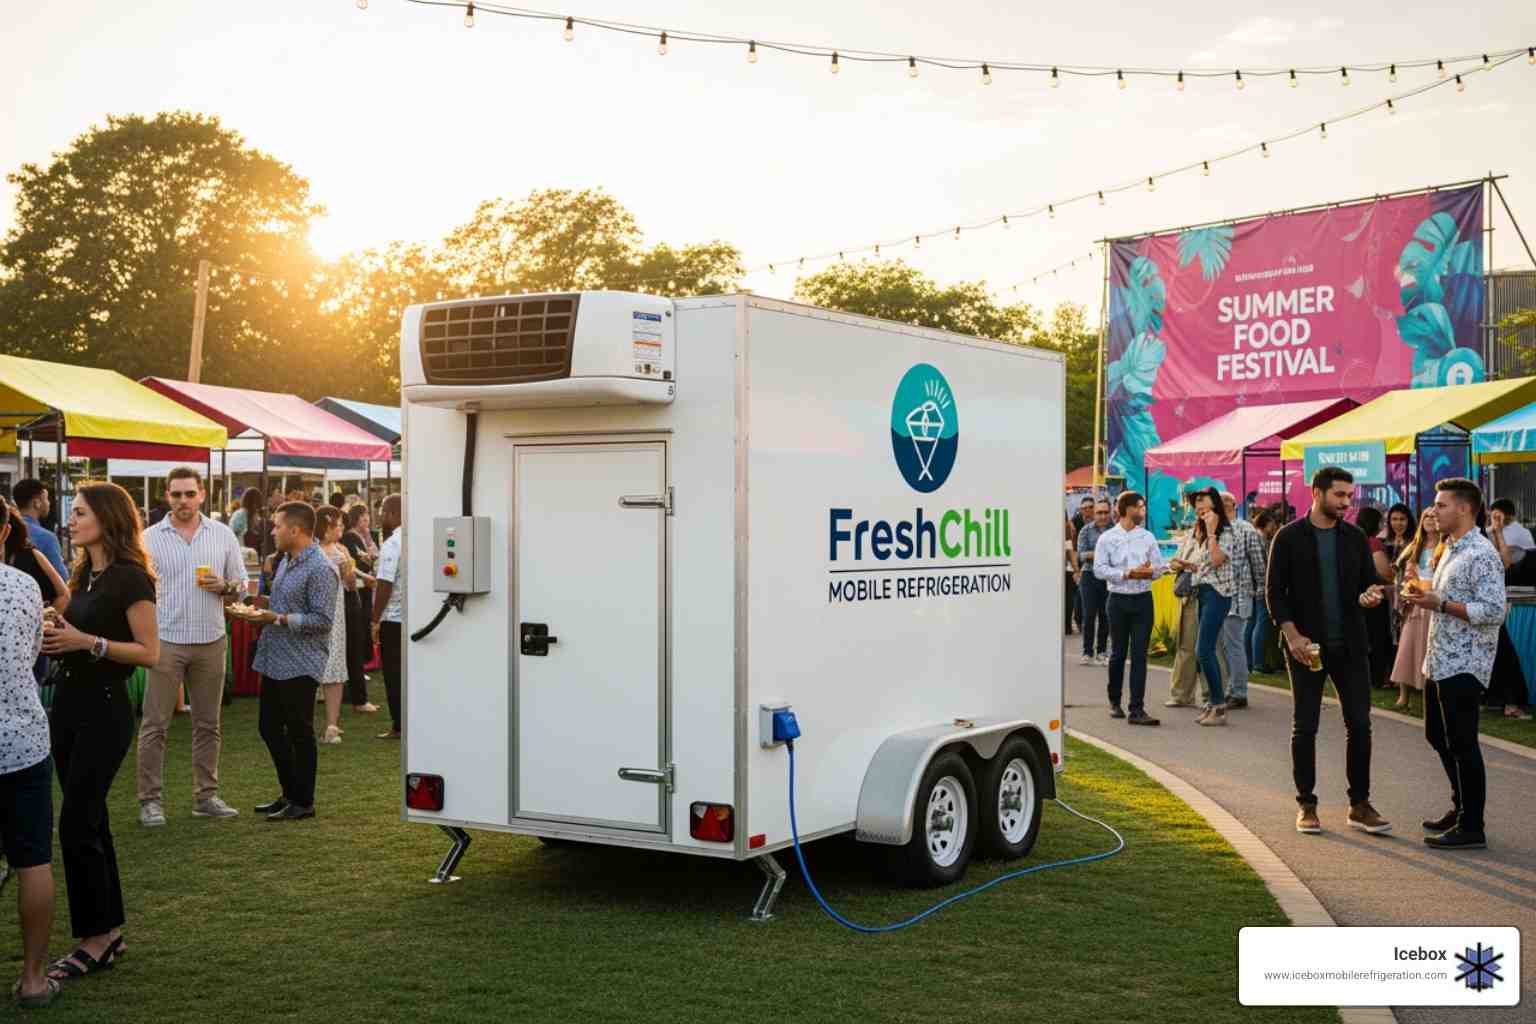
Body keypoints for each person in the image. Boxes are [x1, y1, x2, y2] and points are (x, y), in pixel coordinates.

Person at [40, 483, 159, 982]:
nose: (71, 520)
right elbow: (77, 631)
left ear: (107, 518)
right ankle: (109, 932)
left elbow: (149, 652)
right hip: (68, 706)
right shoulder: (87, 574)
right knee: (90, 821)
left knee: (77, 822)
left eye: (80, 512)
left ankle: (95, 938)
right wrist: (55, 626)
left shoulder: (131, 578)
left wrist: (86, 641)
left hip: (104, 711)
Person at [1266, 467, 1391, 836]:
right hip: (1306, 647)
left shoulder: (1354, 537)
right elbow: (1274, 593)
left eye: (1350, 496)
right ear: (1317, 493)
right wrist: (1292, 636)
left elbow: (1369, 583)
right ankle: (1306, 804)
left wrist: (1370, 597)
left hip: (1350, 645)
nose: (1346, 502)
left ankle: (1360, 805)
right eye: (1340, 495)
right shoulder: (1288, 537)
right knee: (1305, 726)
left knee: (1361, 725)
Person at [136, 468, 246, 827]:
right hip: (164, 640)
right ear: (167, 497)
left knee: (208, 724)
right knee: (155, 725)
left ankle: (206, 796)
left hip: (211, 639)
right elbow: (136, 590)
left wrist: (226, 585)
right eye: (176, 494)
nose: (183, 501)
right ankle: (150, 801)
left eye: (189, 494)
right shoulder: (149, 538)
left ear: (202, 494)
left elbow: (242, 584)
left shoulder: (223, 534)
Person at [1403, 478, 1507, 851]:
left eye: (1442, 505)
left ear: (1465, 508)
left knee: (1463, 743)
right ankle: (1460, 805)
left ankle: (1472, 825)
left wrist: (1441, 605)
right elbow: (1444, 596)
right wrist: (1424, 592)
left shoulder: (1481, 553)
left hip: (1466, 662)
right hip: (1440, 658)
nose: (1433, 511)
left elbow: (1494, 611)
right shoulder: (1450, 548)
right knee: (1437, 735)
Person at [241, 502, 338, 821]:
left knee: (299, 730)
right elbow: (283, 604)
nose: (272, 531)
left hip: (301, 660)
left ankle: (303, 800)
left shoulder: (321, 568)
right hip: (275, 657)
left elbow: (323, 620)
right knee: (269, 727)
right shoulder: (286, 560)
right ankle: (290, 793)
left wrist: (278, 618)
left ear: (295, 530)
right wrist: (257, 609)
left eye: (277, 525)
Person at [0, 510, 60, 1008]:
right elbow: (36, 652)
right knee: (33, 862)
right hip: (22, 739)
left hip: (21, 740)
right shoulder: (22, 587)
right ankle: (35, 978)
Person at [1092, 490, 1165, 726]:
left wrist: (1150, 571)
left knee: (1140, 654)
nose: (1143, 511)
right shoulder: (1107, 538)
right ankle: (1115, 701)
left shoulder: (1148, 537)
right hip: (1118, 599)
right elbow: (1099, 569)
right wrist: (1125, 573)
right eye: (1139, 507)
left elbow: (1158, 568)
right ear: (1126, 509)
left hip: (1143, 599)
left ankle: (1137, 708)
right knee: (1118, 653)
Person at [1182, 489, 1236, 726]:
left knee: (1204, 650)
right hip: (1204, 593)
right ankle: (1213, 703)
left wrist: (1212, 532)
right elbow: (1205, 566)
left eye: (1202, 502)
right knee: (1203, 650)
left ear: (1215, 504)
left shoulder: (1225, 531)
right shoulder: (1203, 532)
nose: (1198, 507)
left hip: (1218, 595)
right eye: (1196, 504)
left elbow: (1216, 560)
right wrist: (1186, 565)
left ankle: (1219, 706)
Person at [1217, 492, 1267, 711]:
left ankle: (1238, 691)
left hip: (1237, 596)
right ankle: (1232, 689)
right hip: (1222, 596)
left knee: (1233, 645)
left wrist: (1260, 590)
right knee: (1227, 646)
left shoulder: (1245, 529)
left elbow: (1258, 563)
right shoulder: (1216, 529)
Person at [1390, 508, 1442, 710]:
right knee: (1407, 646)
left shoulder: (1446, 545)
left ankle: (1430, 695)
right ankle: (1403, 695)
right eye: (1426, 516)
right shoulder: (1415, 545)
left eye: (1433, 516)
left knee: (1431, 648)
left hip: (1435, 602)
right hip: (1414, 603)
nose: (1429, 520)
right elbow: (1399, 572)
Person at [314, 507, 356, 745]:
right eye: (337, 524)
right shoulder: (309, 549)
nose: (340, 528)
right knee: (310, 667)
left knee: (335, 668)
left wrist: (346, 567)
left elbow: (350, 585)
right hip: (315, 612)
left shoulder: (341, 550)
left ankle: (332, 725)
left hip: (336, 616)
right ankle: (305, 723)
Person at [1164, 496, 1207, 709]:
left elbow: (1216, 565)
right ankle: (1181, 694)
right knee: (1186, 647)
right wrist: (1181, 564)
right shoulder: (1190, 535)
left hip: (1209, 597)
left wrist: (1193, 566)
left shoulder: (1220, 535)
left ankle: (1211, 695)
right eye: (1198, 510)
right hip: (1188, 598)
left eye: (1204, 510)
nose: (1199, 514)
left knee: (1209, 649)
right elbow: (1173, 562)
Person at [341, 504, 380, 714]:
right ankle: (357, 697)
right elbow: (356, 567)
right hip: (351, 598)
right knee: (353, 646)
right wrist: (365, 576)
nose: (367, 523)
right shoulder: (347, 541)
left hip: (357, 596)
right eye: (364, 519)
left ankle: (356, 694)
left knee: (354, 646)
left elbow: (368, 559)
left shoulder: (356, 541)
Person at [371, 495, 404, 740]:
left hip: (393, 618)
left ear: (393, 513)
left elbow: (385, 584)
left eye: (383, 511)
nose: (381, 516)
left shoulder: (393, 543)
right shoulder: (417, 539)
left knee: (393, 674)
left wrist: (374, 618)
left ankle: (399, 725)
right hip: (414, 617)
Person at [1356, 507, 1397, 691]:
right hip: (1375, 594)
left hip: (1359, 594)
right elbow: (1385, 571)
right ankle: (1378, 677)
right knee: (1378, 636)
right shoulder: (1373, 543)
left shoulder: (1354, 539)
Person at [1074, 499, 1112, 666]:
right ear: (1094, 514)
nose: (1103, 516)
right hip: (1089, 575)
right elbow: (1081, 555)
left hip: (1108, 577)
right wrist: (1103, 553)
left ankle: (1102, 651)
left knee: (1106, 615)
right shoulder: (1085, 530)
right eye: (1099, 512)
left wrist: (1096, 554)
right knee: (1089, 615)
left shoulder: (1116, 531)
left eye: (1105, 512)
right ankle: (1087, 651)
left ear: (1110, 513)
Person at [11, 480, 66, 590]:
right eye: (46, 499)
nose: (49, 503)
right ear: (37, 503)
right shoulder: (46, 538)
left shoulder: (7, 530)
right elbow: (63, 579)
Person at [1245, 511, 1280, 674]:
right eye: (1273, 523)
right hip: (1260, 588)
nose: (1275, 527)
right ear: (1266, 523)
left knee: (1251, 624)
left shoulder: (1257, 537)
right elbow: (1260, 566)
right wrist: (1265, 586)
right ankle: (1257, 664)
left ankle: (1249, 662)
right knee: (1261, 624)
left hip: (1250, 588)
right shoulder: (1259, 538)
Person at [1063, 516, 1078, 636]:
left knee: (1068, 600)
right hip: (1063, 570)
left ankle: (1067, 626)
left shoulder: (1067, 531)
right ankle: (1066, 626)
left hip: (1065, 571)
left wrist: (1076, 570)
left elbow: (1070, 551)